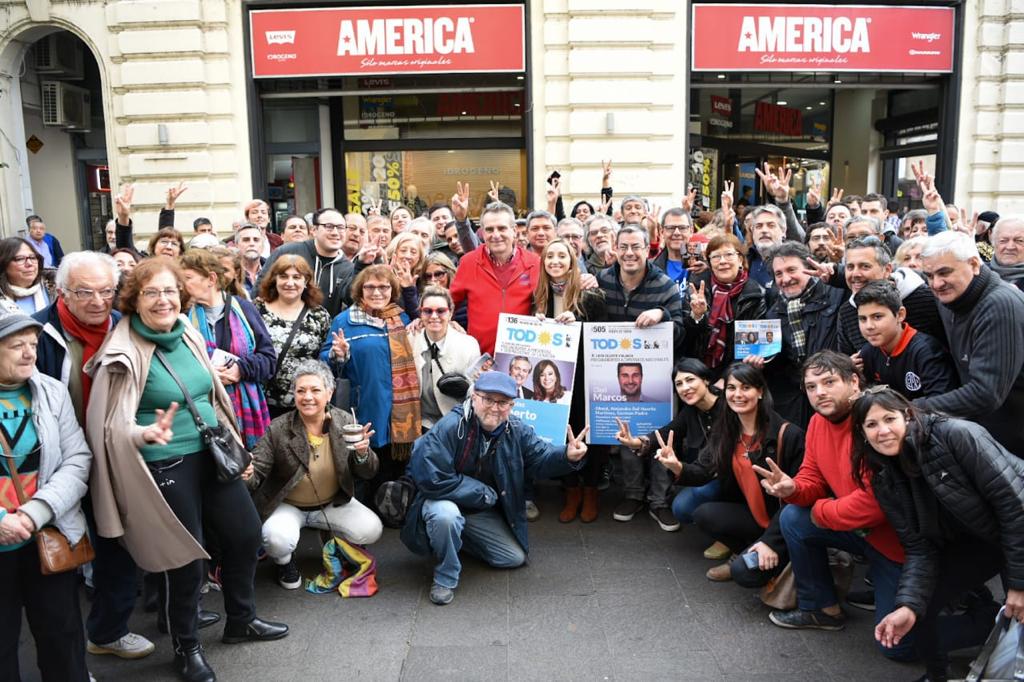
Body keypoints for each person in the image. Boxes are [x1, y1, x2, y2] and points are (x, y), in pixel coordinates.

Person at [86, 257, 288, 682]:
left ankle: (241, 619)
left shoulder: (189, 333)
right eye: (151, 292)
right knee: (186, 558)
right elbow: (109, 423)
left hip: (211, 454)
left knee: (245, 534)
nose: (163, 300)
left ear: (183, 295)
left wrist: (233, 441)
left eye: (170, 291)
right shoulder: (121, 351)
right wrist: (143, 434)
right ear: (134, 299)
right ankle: (187, 647)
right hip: (163, 462)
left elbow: (213, 394)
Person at [32, 253, 156, 660]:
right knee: (60, 559)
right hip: (59, 464)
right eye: (85, 292)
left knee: (115, 548)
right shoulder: (40, 334)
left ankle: (108, 632)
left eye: (107, 291)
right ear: (61, 291)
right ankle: (62, 659)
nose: (99, 301)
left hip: (114, 457)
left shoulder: (123, 325)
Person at [852, 389, 1024, 681]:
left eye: (889, 419)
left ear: (907, 415)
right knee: (920, 607)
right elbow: (920, 548)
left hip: (1017, 527)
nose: (882, 431)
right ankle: (936, 675)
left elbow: (1014, 507)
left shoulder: (956, 435)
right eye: (871, 424)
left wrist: (1019, 585)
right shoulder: (884, 478)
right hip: (980, 540)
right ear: (862, 432)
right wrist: (909, 605)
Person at [754, 352, 910, 663]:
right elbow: (812, 476)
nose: (819, 392)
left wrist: (820, 510)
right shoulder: (817, 423)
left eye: (828, 382)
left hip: (899, 544)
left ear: (854, 382)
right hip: (860, 531)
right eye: (811, 387)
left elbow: (873, 505)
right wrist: (793, 488)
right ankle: (820, 608)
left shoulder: (875, 421)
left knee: (898, 648)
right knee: (793, 517)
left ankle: (980, 618)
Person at [400, 371, 589, 606]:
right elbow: (432, 478)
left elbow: (541, 457)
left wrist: (567, 455)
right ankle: (445, 574)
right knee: (446, 517)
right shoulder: (450, 426)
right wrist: (482, 492)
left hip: (477, 508)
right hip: (442, 500)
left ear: (512, 405)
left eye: (502, 402)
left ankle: (454, 539)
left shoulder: (515, 429)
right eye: (488, 399)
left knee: (512, 557)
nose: (495, 408)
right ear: (474, 397)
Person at [0, 313, 92, 682]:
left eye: (33, 345)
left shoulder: (52, 391)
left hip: (45, 536)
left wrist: (32, 514)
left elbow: (77, 460)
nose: (28, 354)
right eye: (15, 346)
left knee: (63, 638)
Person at [655, 363, 804, 586]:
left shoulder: (788, 434)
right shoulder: (727, 431)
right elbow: (703, 471)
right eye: (732, 389)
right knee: (703, 513)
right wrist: (676, 466)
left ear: (760, 391)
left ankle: (780, 558)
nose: (738, 395)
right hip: (753, 517)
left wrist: (771, 542)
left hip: (781, 523)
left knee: (743, 574)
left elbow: (800, 500)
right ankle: (747, 550)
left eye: (746, 388)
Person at [249, 360, 382, 589]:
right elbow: (257, 470)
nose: (307, 397)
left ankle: (333, 539)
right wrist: (247, 473)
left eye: (315, 390)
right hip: (288, 505)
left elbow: (368, 472)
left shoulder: (346, 422)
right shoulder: (278, 428)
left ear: (329, 393)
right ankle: (284, 562)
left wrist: (362, 453)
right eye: (301, 391)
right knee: (276, 540)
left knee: (372, 529)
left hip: (332, 503)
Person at [596, 224, 684, 530]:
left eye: (637, 247)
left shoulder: (665, 285)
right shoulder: (602, 280)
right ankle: (633, 494)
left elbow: (682, 330)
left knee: (659, 433)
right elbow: (590, 317)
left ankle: (659, 501)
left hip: (657, 375)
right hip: (614, 372)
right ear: (615, 249)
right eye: (624, 247)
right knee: (626, 428)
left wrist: (663, 315)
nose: (630, 253)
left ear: (648, 250)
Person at [917, 231, 1024, 456]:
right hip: (987, 436)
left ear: (974, 264)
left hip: (1014, 443)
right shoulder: (951, 295)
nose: (936, 284)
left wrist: (913, 408)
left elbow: (986, 394)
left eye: (945, 272)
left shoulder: (1000, 305)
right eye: (929, 275)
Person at [320, 264, 419, 500]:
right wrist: (337, 354)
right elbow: (325, 361)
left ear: (392, 290)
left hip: (398, 410)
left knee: (391, 465)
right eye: (370, 287)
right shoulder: (344, 321)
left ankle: (388, 509)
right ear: (359, 290)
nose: (377, 292)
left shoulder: (401, 317)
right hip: (365, 405)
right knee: (365, 463)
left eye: (384, 287)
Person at [614, 358, 727, 553]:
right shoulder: (691, 410)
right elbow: (666, 433)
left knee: (702, 492)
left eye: (690, 380)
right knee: (682, 508)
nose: (685, 388)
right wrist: (637, 443)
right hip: (707, 471)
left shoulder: (728, 405)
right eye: (679, 384)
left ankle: (729, 537)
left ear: (706, 380)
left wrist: (680, 468)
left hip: (737, 474)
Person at [534, 238, 607, 522]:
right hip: (557, 379)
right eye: (549, 256)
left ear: (572, 260)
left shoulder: (592, 296)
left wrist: (577, 323)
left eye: (561, 256)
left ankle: (590, 491)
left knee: (588, 431)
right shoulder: (538, 297)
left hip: (587, 376)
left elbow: (602, 334)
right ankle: (571, 490)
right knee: (560, 432)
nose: (555, 261)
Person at [180, 249, 276, 448]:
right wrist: (208, 374)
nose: (181, 284)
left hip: (247, 408)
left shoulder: (244, 309)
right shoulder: (184, 317)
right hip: (205, 410)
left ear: (211, 279)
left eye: (188, 278)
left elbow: (268, 359)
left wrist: (241, 369)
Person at [753, 241, 844, 427]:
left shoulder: (836, 294)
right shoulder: (773, 313)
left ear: (809, 268)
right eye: (778, 274)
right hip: (798, 403)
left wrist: (840, 272)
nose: (785, 279)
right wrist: (763, 363)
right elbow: (782, 363)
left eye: (791, 270)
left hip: (837, 395)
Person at [450, 202, 541, 355]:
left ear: (514, 231)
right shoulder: (469, 262)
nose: (496, 235)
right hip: (479, 360)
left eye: (502, 228)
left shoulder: (534, 263)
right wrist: (448, 323)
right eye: (490, 229)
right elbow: (449, 303)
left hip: (521, 360)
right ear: (482, 233)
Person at [836, 237, 946, 354]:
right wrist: (850, 365)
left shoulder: (925, 298)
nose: (855, 274)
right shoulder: (847, 312)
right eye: (850, 267)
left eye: (865, 266)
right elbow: (845, 357)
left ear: (887, 269)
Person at [255, 255, 332, 419]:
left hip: (304, 403)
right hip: (262, 402)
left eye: (296, 277)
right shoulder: (256, 310)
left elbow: (324, 359)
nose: (290, 283)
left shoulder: (319, 315)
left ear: (306, 281)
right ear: (274, 279)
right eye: (283, 276)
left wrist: (338, 354)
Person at [854, 280, 957, 400]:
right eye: (863, 319)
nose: (869, 326)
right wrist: (849, 373)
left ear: (900, 315)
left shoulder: (927, 351)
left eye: (877, 317)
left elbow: (941, 403)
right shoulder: (867, 353)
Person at [685, 233, 766, 376]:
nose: (722, 261)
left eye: (729, 255)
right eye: (716, 257)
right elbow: (686, 339)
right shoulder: (696, 289)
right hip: (698, 372)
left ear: (740, 259)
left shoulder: (755, 294)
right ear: (709, 263)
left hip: (737, 375)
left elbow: (750, 349)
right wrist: (697, 316)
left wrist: (727, 379)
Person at [256, 207, 357, 318]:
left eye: (340, 227)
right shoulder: (287, 252)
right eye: (329, 227)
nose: (335, 232)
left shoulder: (348, 268)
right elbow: (260, 290)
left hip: (325, 331)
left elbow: (354, 301)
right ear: (313, 230)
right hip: (279, 328)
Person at [412, 286, 481, 430]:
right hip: (418, 424)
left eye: (441, 311)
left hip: (455, 425)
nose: (434, 316)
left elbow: (476, 392)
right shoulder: (409, 340)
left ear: (450, 313)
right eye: (427, 311)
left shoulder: (468, 344)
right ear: (421, 314)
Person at [0, 237, 51, 315]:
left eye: (33, 257)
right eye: (20, 259)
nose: (29, 263)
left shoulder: (55, 287)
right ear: (4, 264)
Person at [990, 215, 1024, 291]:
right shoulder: (978, 274)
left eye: (1019, 241)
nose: (1010, 247)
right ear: (994, 243)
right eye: (1003, 240)